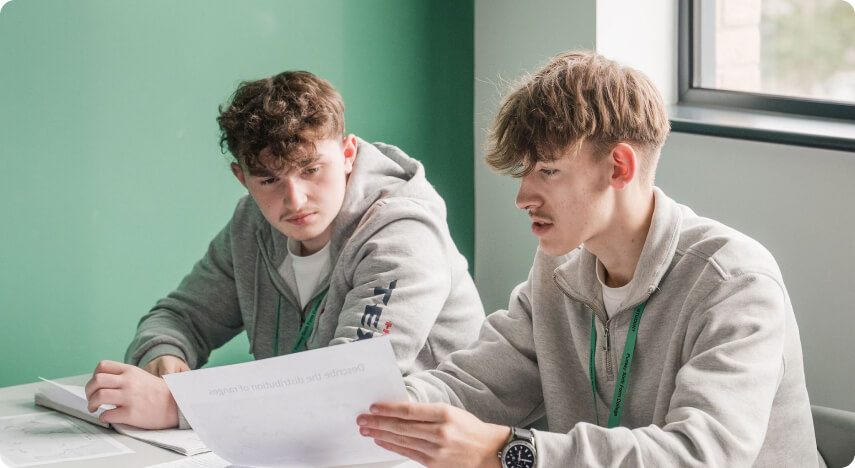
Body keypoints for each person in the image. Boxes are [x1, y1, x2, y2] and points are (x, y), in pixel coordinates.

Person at [356, 51, 819, 467]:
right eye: (524, 173)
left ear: (619, 167)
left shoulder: (734, 282)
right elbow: (472, 386)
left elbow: (698, 456)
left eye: (548, 170)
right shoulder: (558, 273)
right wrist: (368, 414)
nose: (522, 197)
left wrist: (507, 451)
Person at [84, 71, 485, 430]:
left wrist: (181, 407)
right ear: (242, 178)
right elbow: (179, 317)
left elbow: (352, 387)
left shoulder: (403, 234)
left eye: (311, 169)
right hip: (307, 443)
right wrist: (164, 355)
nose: (295, 200)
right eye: (269, 180)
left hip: (429, 449)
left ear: (347, 154)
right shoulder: (253, 225)